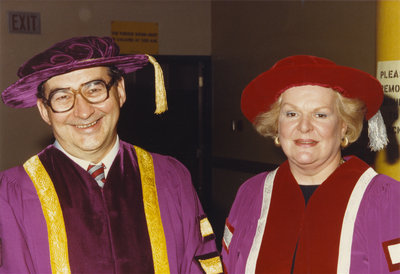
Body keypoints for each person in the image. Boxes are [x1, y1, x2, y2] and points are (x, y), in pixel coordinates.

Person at [0, 36, 222, 274]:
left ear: (120, 91)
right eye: (63, 96)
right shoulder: (12, 195)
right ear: (44, 110)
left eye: (94, 89)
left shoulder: (170, 177)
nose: (84, 111)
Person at [221, 55, 400, 273]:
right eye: (291, 114)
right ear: (277, 124)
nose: (304, 127)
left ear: (344, 125)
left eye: (320, 115)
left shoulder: (384, 200)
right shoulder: (252, 194)